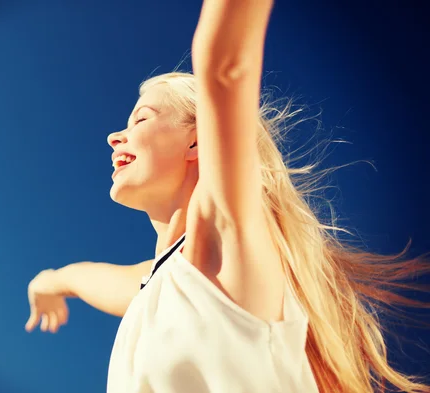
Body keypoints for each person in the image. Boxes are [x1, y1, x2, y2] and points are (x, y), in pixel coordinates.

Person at [25, 1, 430, 392]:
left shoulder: (220, 242)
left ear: (197, 142)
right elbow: (87, 277)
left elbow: (226, 67)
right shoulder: (157, 283)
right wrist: (49, 283)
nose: (115, 136)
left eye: (142, 118)